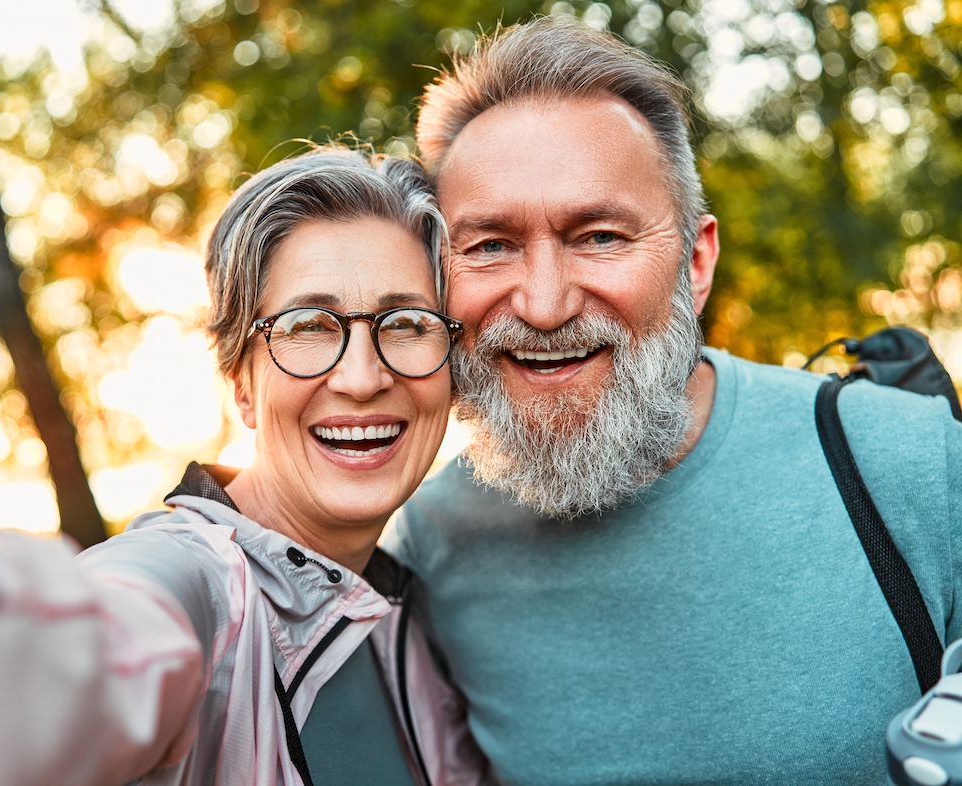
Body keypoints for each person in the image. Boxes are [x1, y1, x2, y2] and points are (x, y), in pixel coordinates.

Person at [0, 149, 489, 786]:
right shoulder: (196, 587)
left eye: (406, 324)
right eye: (306, 327)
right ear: (241, 381)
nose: (362, 377)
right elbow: (95, 647)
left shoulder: (418, 622)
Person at [386, 16, 962, 786]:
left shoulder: (911, 462)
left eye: (599, 236)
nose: (546, 304)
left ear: (695, 262)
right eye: (489, 245)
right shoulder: (430, 544)